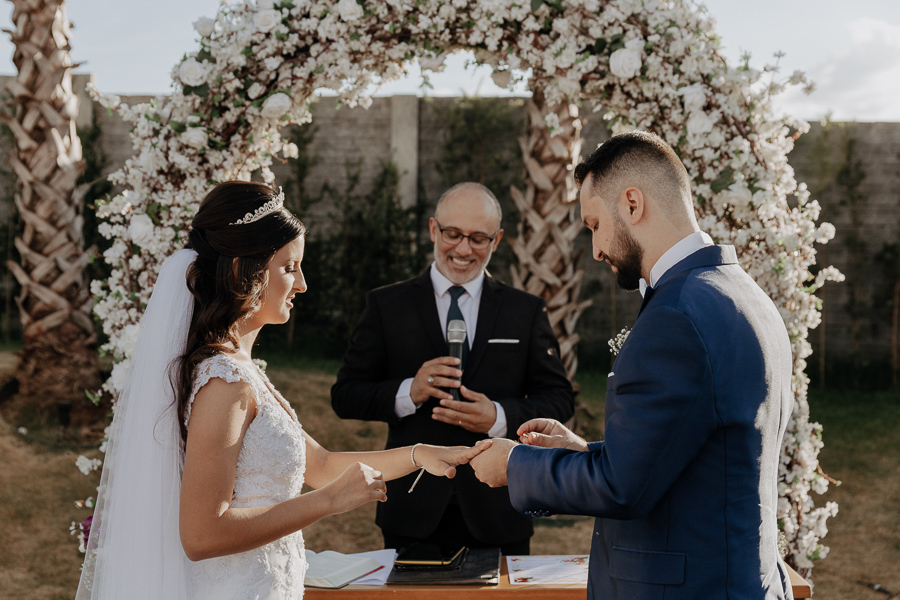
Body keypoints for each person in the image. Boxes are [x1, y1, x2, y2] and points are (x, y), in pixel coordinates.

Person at [75, 181, 489, 600]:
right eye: (289, 267)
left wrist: (421, 455)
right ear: (243, 270)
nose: (303, 284)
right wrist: (327, 503)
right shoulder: (225, 383)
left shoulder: (242, 371)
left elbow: (323, 465)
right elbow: (201, 535)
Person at [470, 131, 795, 599]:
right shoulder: (744, 294)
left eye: (595, 224)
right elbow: (701, 446)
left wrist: (517, 463)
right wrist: (586, 453)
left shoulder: (676, 315)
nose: (597, 248)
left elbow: (624, 490)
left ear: (632, 203)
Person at [330, 182, 575, 556]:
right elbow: (345, 396)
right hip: (412, 505)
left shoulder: (524, 311)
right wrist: (408, 392)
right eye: (453, 234)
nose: (463, 249)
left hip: (500, 507)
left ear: (497, 240)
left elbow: (559, 400)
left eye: (478, 238)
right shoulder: (387, 305)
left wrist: (499, 415)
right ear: (433, 230)